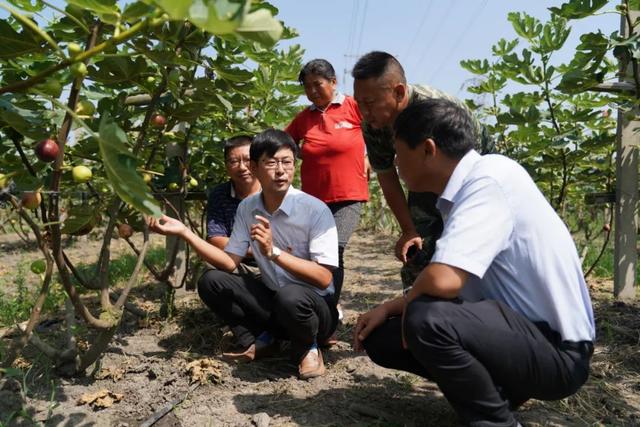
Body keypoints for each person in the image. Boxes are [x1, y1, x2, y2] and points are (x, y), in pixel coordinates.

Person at [354, 99, 595, 426]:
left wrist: (410, 304)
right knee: (385, 336)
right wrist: (391, 307)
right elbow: (448, 283)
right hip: (519, 336)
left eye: (399, 152)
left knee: (427, 317)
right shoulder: (463, 190)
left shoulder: (488, 180)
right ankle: (500, 393)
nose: (395, 163)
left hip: (559, 353)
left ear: (428, 149)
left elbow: (443, 281)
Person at [149, 129, 339, 380]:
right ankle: (262, 339)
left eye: (286, 162)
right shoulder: (247, 208)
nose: (280, 170)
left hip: (315, 310)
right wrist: (185, 232)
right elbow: (229, 262)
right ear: (255, 167)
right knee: (212, 281)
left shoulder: (315, 210)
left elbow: (325, 278)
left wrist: (274, 253)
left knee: (291, 295)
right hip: (276, 305)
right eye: (270, 163)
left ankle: (308, 347)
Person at [352, 51, 493, 290]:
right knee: (418, 255)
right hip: (423, 180)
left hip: (469, 178)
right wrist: (409, 229)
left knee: (466, 246)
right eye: (359, 103)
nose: (364, 112)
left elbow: (465, 169)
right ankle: (415, 305)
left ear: (398, 92)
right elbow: (387, 176)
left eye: (370, 103)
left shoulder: (436, 109)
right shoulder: (374, 125)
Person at [286, 59, 369, 310]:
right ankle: (317, 308)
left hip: (348, 196)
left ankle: (329, 312)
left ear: (333, 82)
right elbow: (284, 143)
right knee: (315, 253)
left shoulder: (353, 107)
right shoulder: (303, 118)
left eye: (317, 84)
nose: (312, 91)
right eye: (306, 87)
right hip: (314, 200)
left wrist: (369, 156)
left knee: (334, 251)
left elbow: (379, 130)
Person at [205, 135, 261, 276]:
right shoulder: (219, 195)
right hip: (235, 264)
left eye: (247, 160)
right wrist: (260, 250)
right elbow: (216, 239)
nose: (242, 167)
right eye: (234, 161)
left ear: (258, 161)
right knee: (211, 277)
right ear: (226, 166)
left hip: (274, 264)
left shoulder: (273, 192)